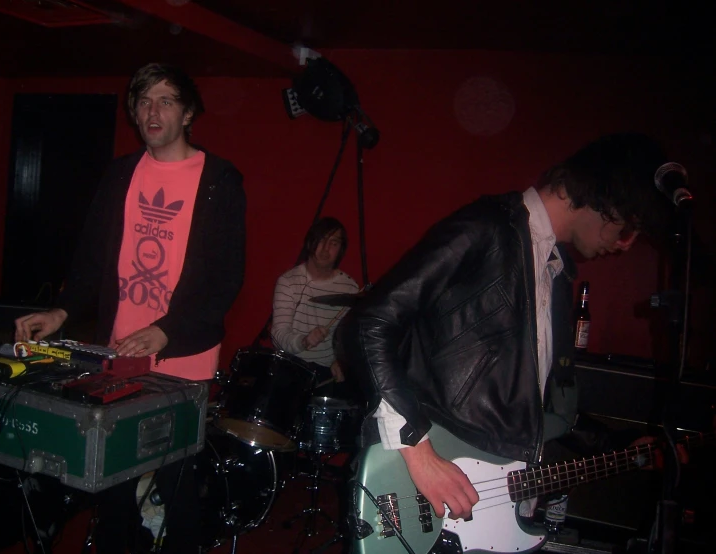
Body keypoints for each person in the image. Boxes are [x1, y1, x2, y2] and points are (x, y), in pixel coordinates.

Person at [337, 133, 673, 522]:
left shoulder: (556, 273)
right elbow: (369, 323)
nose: (626, 245)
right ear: (605, 198)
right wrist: (418, 449)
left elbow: (535, 407)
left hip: (497, 496)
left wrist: (620, 444)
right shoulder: (488, 227)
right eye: (628, 227)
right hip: (434, 471)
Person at [14, 62, 246, 553]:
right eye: (142, 101)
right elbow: (91, 259)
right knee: (113, 481)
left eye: (165, 100)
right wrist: (61, 312)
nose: (151, 110)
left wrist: (167, 330)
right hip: (117, 352)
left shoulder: (219, 180)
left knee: (177, 484)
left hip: (182, 359)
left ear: (187, 113)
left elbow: (225, 279)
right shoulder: (121, 174)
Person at [271, 217, 359, 395]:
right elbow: (279, 332)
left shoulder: (350, 288)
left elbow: (349, 336)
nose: (325, 248)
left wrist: (342, 360)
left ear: (341, 249)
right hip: (290, 365)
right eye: (321, 240)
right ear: (310, 242)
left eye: (333, 243)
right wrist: (303, 340)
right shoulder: (288, 282)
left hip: (327, 371)